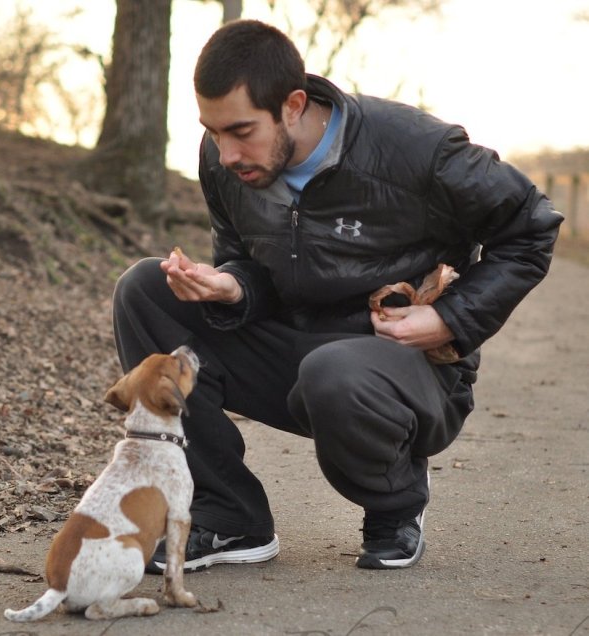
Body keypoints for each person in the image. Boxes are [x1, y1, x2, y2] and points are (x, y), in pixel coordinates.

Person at [112, 19, 562, 572]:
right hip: (295, 356)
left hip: (405, 370)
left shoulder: (419, 149)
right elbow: (250, 264)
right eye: (213, 131)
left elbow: (532, 228)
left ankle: (394, 503)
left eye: (241, 131)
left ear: (294, 105)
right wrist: (233, 286)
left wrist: (448, 318)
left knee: (334, 372)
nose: (225, 152)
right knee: (143, 290)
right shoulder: (225, 161)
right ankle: (228, 515)